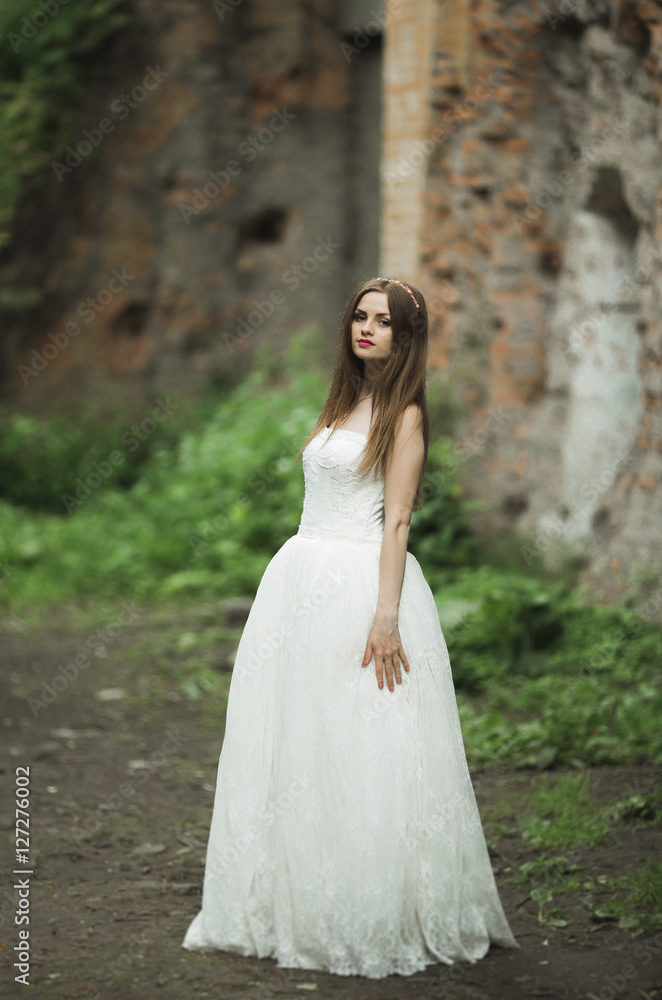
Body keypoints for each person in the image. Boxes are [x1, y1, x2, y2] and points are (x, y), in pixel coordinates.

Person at [182, 277, 520, 978]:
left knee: (360, 735)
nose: (367, 329)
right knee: (299, 735)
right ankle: (293, 893)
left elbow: (396, 519)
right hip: (299, 576)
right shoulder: (345, 400)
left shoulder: (406, 418)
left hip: (362, 585)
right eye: (360, 317)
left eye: (384, 322)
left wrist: (387, 615)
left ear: (406, 337)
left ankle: (368, 901)